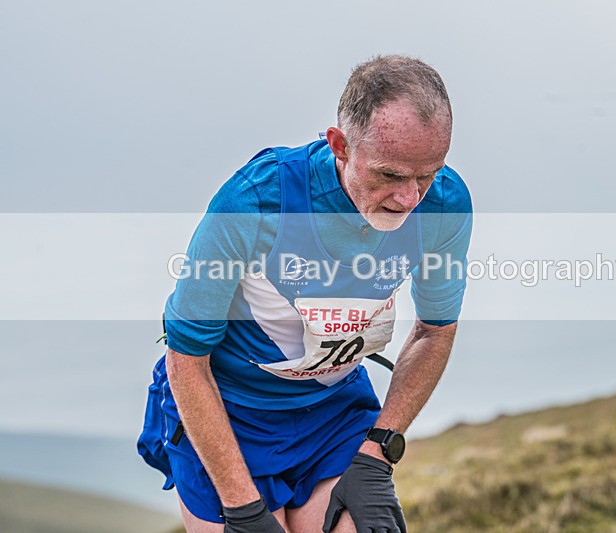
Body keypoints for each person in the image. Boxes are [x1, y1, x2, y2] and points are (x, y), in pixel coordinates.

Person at [138, 55, 472, 532]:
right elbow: (186, 359)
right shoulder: (254, 201)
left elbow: (434, 333)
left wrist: (378, 453)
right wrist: (242, 508)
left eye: (429, 173)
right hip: (229, 411)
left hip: (330, 411)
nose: (410, 200)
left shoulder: (445, 206)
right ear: (339, 145)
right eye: (391, 176)